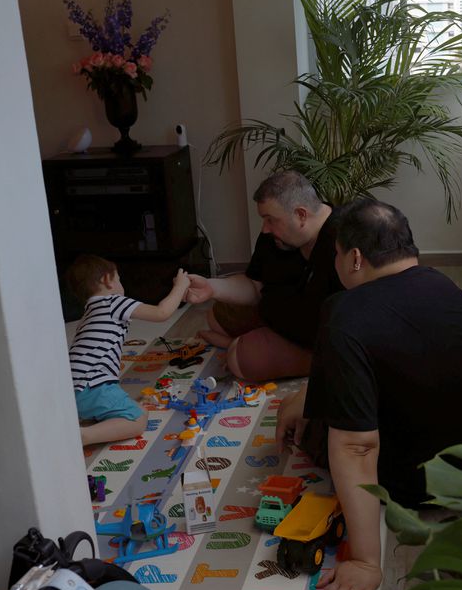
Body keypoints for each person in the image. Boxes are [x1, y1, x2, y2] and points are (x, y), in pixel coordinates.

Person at [276, 199, 462, 590]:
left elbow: (356, 446)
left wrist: (368, 561)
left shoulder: (343, 314)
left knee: (325, 435)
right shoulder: (442, 282)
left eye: (335, 254)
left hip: (418, 480)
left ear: (354, 258)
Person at [184, 171, 344, 381]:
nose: (265, 228)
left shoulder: (342, 240)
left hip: (318, 338)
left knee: (240, 360)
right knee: (216, 316)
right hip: (278, 316)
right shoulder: (275, 236)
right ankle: (245, 341)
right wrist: (212, 287)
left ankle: (319, 362)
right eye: (264, 219)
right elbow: (254, 286)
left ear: (301, 215)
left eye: (271, 220)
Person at [65, 255, 190, 446]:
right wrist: (180, 287)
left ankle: (91, 422)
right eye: (119, 279)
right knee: (138, 418)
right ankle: (83, 436)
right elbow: (161, 313)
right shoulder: (114, 302)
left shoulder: (88, 313)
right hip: (93, 386)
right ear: (107, 280)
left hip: (70, 390)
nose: (121, 285)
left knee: (132, 407)